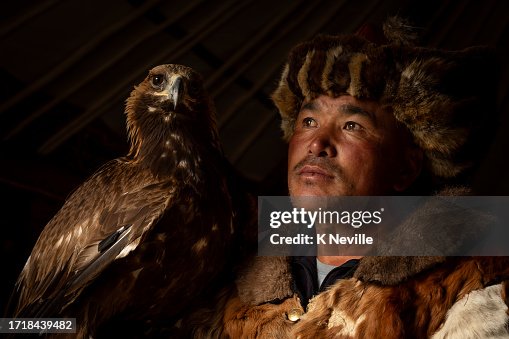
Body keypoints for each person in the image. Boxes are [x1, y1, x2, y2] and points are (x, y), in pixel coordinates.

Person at [179, 18, 509, 338]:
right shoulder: (234, 274)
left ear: (406, 168)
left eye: (352, 126)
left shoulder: (470, 288)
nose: (317, 143)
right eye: (308, 121)